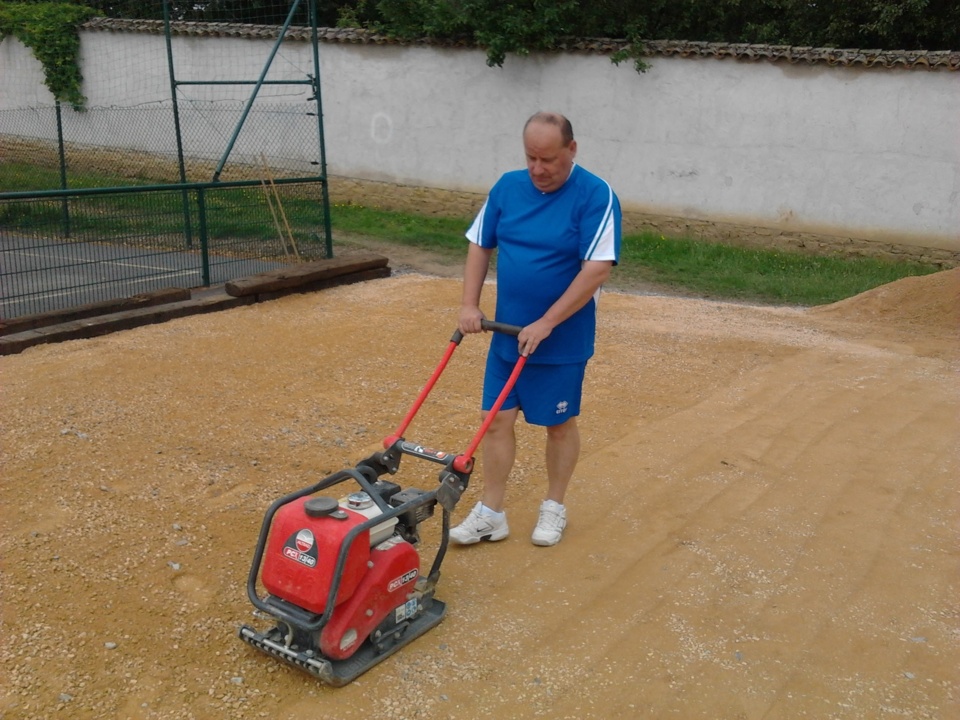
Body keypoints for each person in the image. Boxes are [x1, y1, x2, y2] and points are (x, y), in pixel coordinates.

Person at [450, 111, 621, 547]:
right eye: (531, 158)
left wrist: (547, 322)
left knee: (559, 425)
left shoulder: (595, 195)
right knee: (495, 421)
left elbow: (597, 269)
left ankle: (554, 506)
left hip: (561, 339)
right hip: (508, 334)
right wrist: (470, 305)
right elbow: (479, 243)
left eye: (549, 160)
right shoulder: (507, 187)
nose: (539, 170)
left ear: (572, 150)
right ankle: (492, 513)